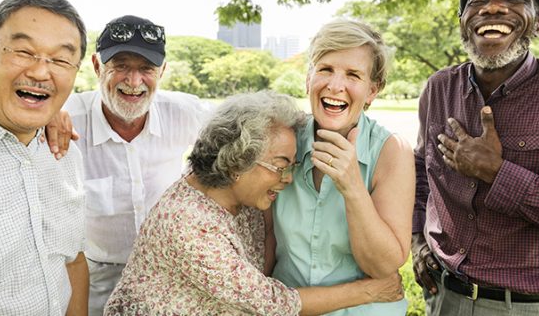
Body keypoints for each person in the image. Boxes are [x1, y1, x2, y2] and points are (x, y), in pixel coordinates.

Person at [104, 90, 405, 315]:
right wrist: (369, 290)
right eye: (280, 165)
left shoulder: (240, 199)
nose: (288, 179)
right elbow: (272, 302)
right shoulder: (189, 224)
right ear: (237, 162)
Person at [411, 0, 539, 315]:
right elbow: (421, 174)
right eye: (479, 1)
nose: (493, 8)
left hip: (525, 306)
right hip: (444, 296)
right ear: (462, 21)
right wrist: (418, 241)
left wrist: (497, 172)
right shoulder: (439, 88)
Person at [52, 15, 210, 315]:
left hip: (170, 274)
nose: (134, 81)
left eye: (146, 69)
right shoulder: (66, 118)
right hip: (97, 276)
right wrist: (45, 115)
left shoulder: (184, 112)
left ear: (162, 71)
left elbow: (246, 126)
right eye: (121, 66)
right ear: (98, 67)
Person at [272, 18, 415, 315]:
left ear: (372, 91)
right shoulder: (281, 140)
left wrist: (352, 186)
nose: (335, 86)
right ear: (308, 78)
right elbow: (264, 242)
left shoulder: (392, 151)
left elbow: (382, 265)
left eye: (353, 75)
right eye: (325, 69)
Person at [0, 0, 88, 315]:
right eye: (24, 51)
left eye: (60, 60)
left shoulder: (66, 153)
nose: (41, 73)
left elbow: (73, 262)